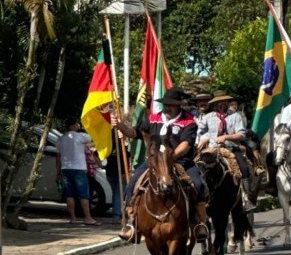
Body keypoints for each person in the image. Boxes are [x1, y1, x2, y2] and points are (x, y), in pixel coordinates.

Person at [113, 87, 208, 242]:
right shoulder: (153, 118)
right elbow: (134, 133)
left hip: (181, 161)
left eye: (171, 104)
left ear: (179, 105)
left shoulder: (189, 121)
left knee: (198, 184)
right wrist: (120, 126)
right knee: (132, 184)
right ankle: (132, 222)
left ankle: (199, 223)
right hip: (154, 162)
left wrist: (169, 158)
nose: (168, 107)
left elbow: (186, 144)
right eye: (166, 104)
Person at [197, 90, 255, 210]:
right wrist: (203, 139)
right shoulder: (208, 117)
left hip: (231, 148)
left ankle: (246, 198)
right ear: (215, 104)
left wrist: (227, 137)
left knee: (243, 168)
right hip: (211, 149)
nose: (222, 104)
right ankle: (201, 199)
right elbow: (201, 132)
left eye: (224, 101)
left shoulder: (235, 116)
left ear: (228, 102)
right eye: (219, 102)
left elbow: (241, 134)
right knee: (198, 167)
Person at [56, 118, 100, 226]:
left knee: (69, 194)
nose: (78, 126)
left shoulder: (61, 139)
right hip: (79, 169)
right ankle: (88, 218)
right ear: (72, 126)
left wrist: (58, 172)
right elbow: (93, 139)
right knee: (83, 194)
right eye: (77, 124)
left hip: (65, 169)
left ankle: (73, 218)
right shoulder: (80, 136)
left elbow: (58, 157)